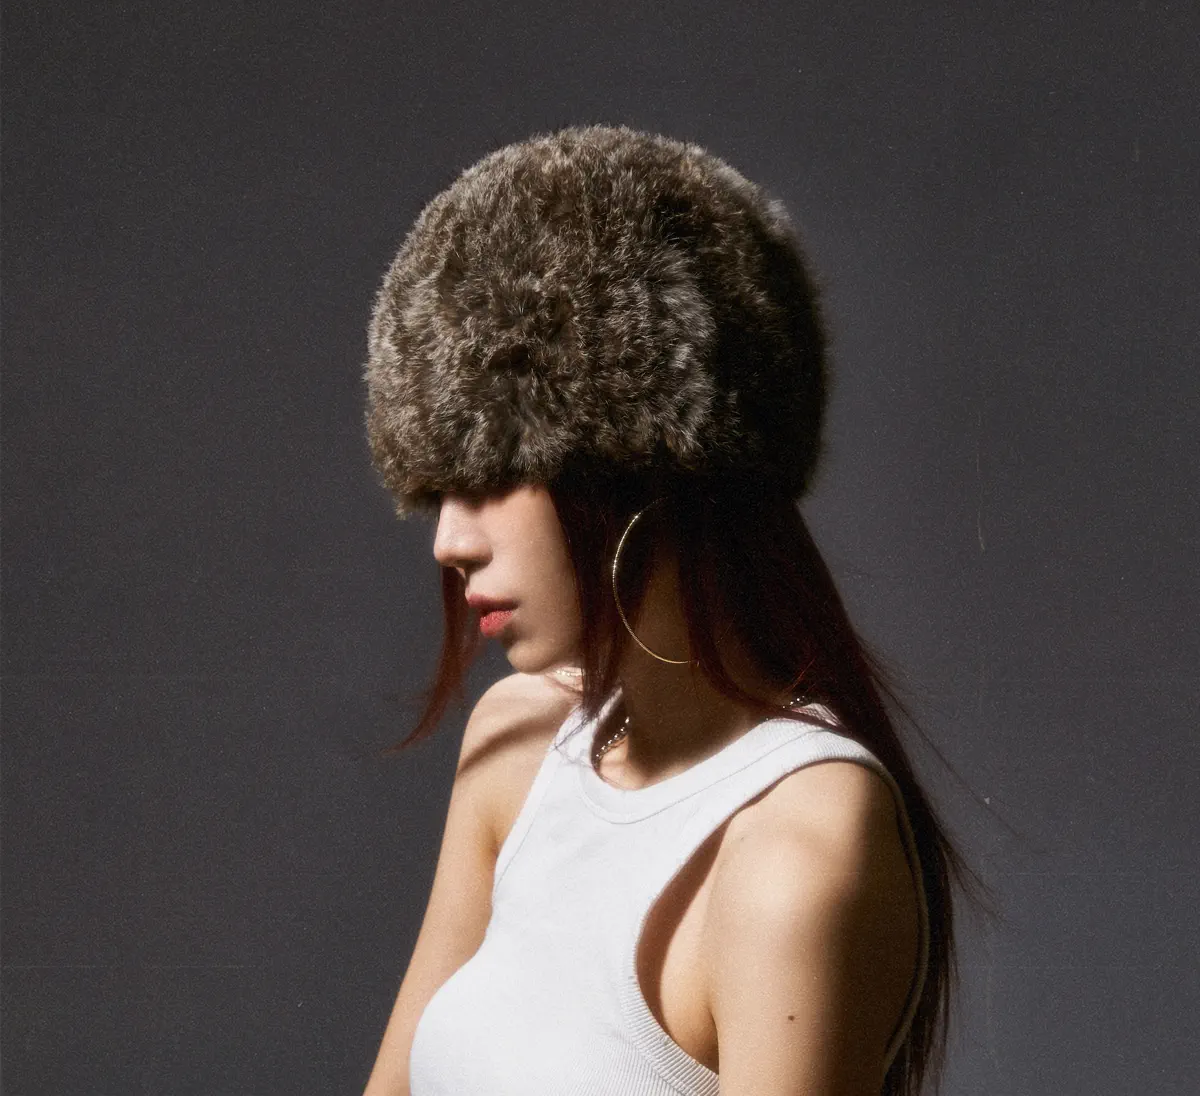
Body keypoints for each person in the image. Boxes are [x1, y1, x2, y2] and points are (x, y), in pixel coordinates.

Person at [359, 124, 985, 1096]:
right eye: (439, 487)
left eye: (492, 473)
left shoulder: (797, 842)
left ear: (641, 458)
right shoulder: (515, 748)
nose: (449, 541)